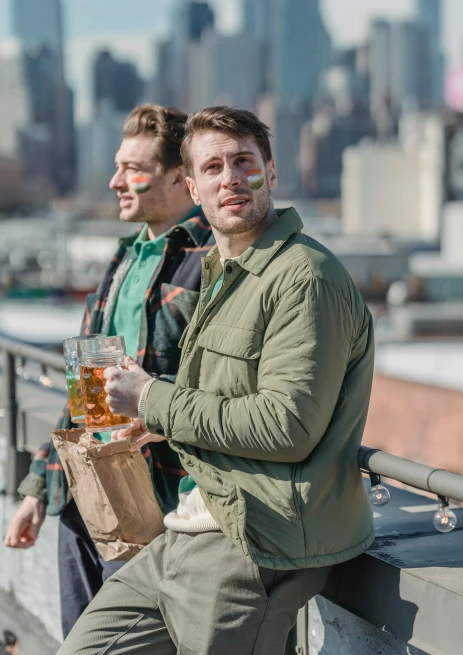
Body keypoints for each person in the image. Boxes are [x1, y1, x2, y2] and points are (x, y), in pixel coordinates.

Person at [58, 106, 375, 655]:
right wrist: (160, 423)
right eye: (212, 168)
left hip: (249, 545)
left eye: (243, 162)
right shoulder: (223, 271)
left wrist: (154, 399)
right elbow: (225, 400)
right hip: (184, 524)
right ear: (192, 187)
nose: (230, 178)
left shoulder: (306, 278)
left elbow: (287, 425)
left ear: (270, 173)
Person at [4, 104, 213, 638]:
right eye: (119, 166)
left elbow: (213, 394)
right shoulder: (123, 260)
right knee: (79, 640)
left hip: (156, 506)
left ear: (178, 178)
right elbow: (85, 393)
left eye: (134, 170)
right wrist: (37, 491)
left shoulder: (210, 262)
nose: (116, 180)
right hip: (84, 498)